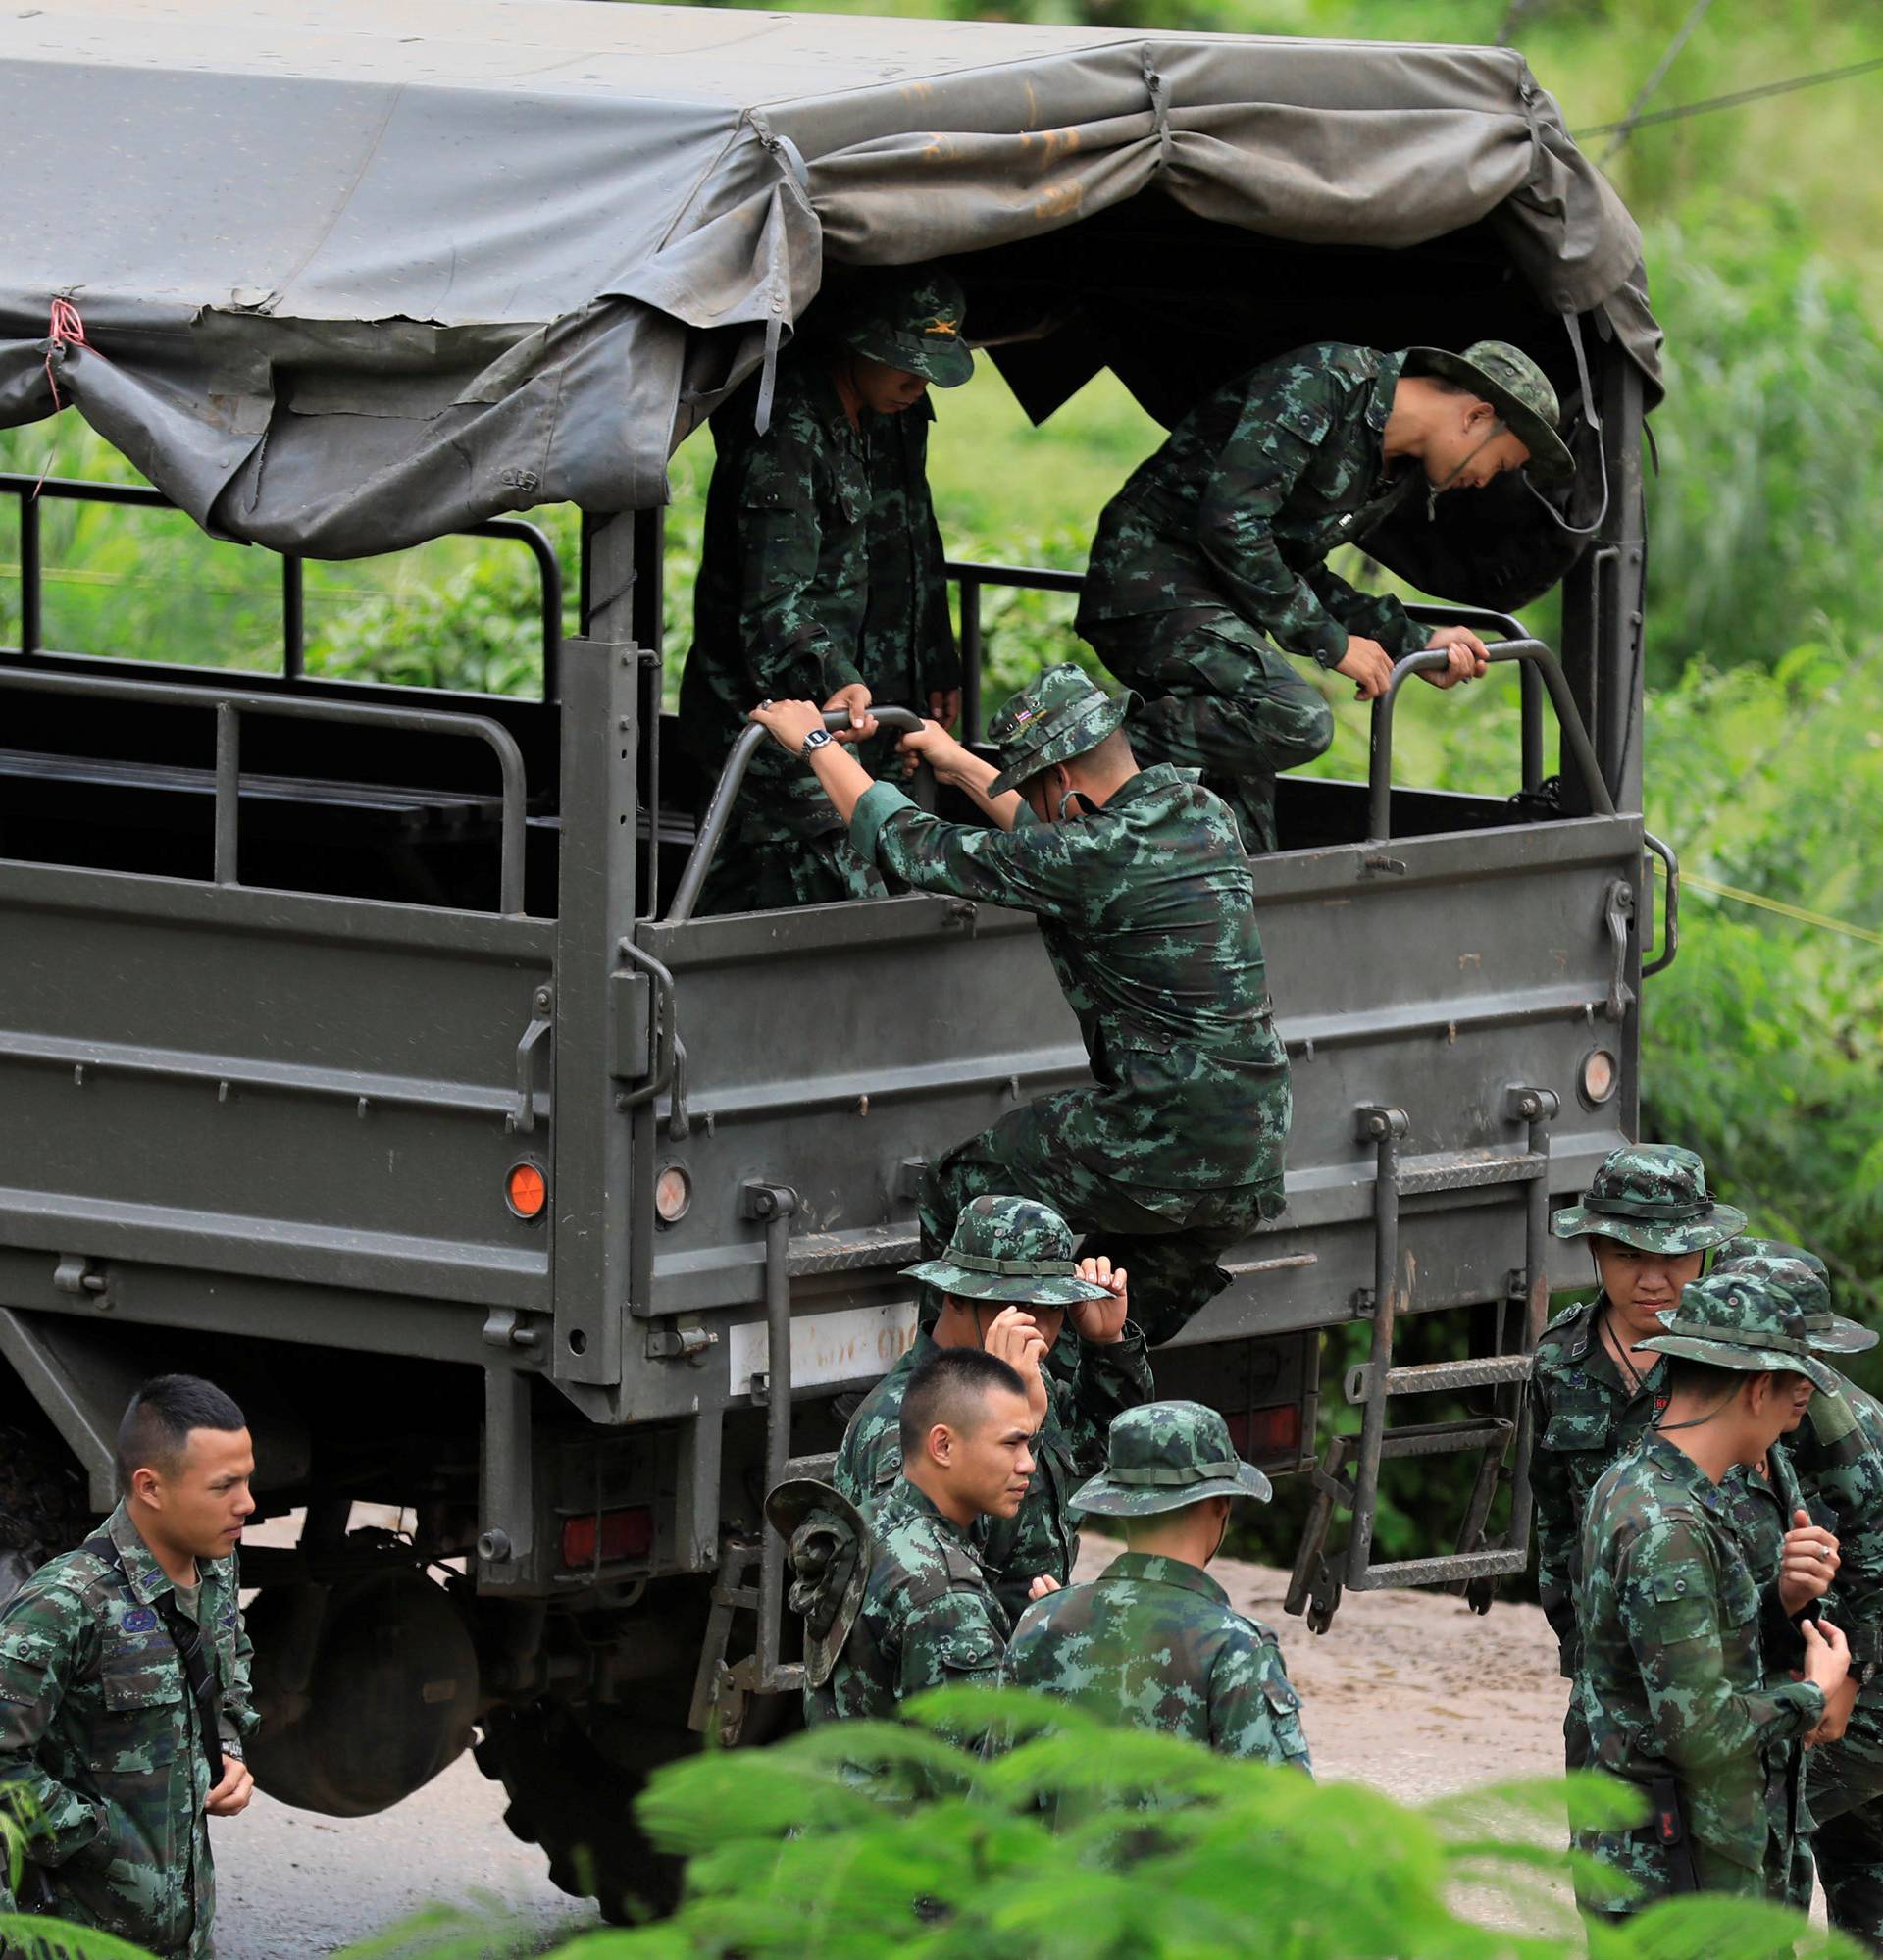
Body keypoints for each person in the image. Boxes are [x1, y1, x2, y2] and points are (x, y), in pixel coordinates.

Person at [746, 662, 1289, 1347]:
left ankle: (942, 1395)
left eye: (1031, 786)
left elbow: (912, 845)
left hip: (1163, 1134)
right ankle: (1064, 1432)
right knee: (1101, 1344)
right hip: (1253, 1149)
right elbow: (1053, 850)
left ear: (1059, 781)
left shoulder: (1090, 856)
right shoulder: (1205, 817)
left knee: (965, 1186)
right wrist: (961, 764)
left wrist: (816, 746)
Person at [1076, 338, 1574, 852]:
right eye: (1500, 463)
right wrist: (1332, 644)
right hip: (1149, 581)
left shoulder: (1391, 468)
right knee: (1293, 719)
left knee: (1244, 839)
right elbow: (1231, 524)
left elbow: (1299, 566)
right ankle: (1071, 753)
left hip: (1221, 609)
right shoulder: (1327, 383)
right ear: (1476, 416)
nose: (1485, 481)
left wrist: (1415, 642)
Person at [678, 264, 972, 914]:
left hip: (859, 702)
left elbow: (913, 540)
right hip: (770, 710)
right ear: (858, 344)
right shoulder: (785, 438)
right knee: (824, 870)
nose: (917, 381)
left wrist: (934, 658)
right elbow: (771, 610)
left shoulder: (894, 411)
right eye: (904, 362)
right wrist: (833, 674)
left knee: (886, 843)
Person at [1573, 1272, 1851, 1918]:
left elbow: (1667, 1659)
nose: (1793, 1418)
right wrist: (1814, 1690)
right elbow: (1701, 1731)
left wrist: (1774, 1600)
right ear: (1758, 1390)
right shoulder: (1671, 1526)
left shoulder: (1636, 1481)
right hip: (1677, 1882)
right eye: (1792, 1397)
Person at [0, 1375, 259, 1957]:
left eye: (247, 1479)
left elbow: (230, 1660)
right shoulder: (67, 1603)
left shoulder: (215, 1569)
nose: (248, 1503)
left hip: (182, 1937)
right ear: (151, 1487)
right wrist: (95, 1839)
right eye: (225, 1486)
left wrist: (228, 1746)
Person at [1530, 1144, 1747, 1770]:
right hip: (1606, 1667)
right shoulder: (1557, 1361)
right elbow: (1555, 1517)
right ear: (1595, 1250)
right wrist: (1577, 1640)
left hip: (1725, 1658)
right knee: (1605, 1849)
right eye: (1629, 1256)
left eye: (1674, 1257)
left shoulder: (1731, 1365)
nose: (1653, 1280)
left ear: (1704, 1253)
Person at [836, 1194, 1151, 1621]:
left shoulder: (1020, 1381)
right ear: (956, 1298)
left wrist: (1105, 1346)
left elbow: (1117, 1456)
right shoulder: (905, 1417)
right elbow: (922, 1566)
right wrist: (1017, 1421)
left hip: (1017, 1654)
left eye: (1054, 1307)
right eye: (1018, 1305)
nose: (1038, 1326)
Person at [1715, 1238, 1883, 1944]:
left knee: (1757, 1845)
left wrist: (1851, 1680)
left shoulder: (1846, 1432)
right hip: (1807, 1668)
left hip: (1858, 1688)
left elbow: (1873, 1577)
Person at [1004, 1401, 1311, 1771]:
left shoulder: (1040, 1623)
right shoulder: (1235, 1648)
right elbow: (1284, 1816)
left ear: (1119, 1504)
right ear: (1220, 1504)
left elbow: (995, 1802)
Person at [817, 1348, 1034, 1722]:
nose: (1027, 1462)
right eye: (1011, 1444)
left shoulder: (867, 1524)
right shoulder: (942, 1595)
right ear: (943, 1446)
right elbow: (976, 1765)